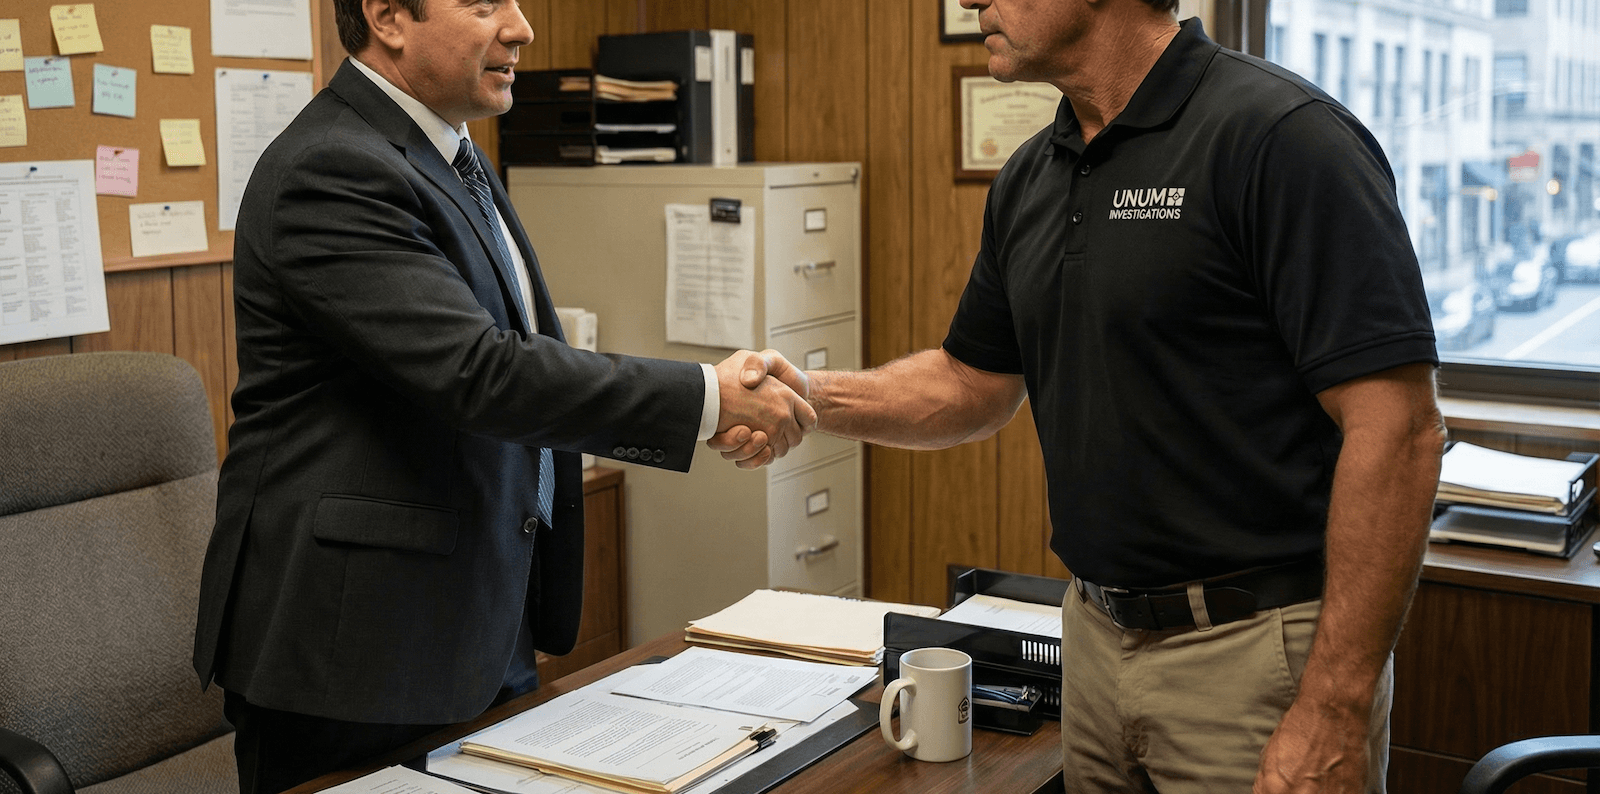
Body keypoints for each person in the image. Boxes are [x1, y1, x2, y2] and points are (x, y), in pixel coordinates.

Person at [724, 0, 1447, 790]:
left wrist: (1337, 706)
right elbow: (971, 383)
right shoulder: (1034, 173)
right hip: (1094, 641)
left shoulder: (1283, 137)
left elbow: (1399, 429)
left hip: (1253, 653)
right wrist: (806, 394)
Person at [190, 1, 810, 791]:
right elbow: (481, 373)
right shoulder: (334, 166)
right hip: (355, 651)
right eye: (485, 3)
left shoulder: (450, 154)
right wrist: (707, 400)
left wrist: (707, 404)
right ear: (386, 15)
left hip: (473, 619)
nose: (521, 27)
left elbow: (521, 359)